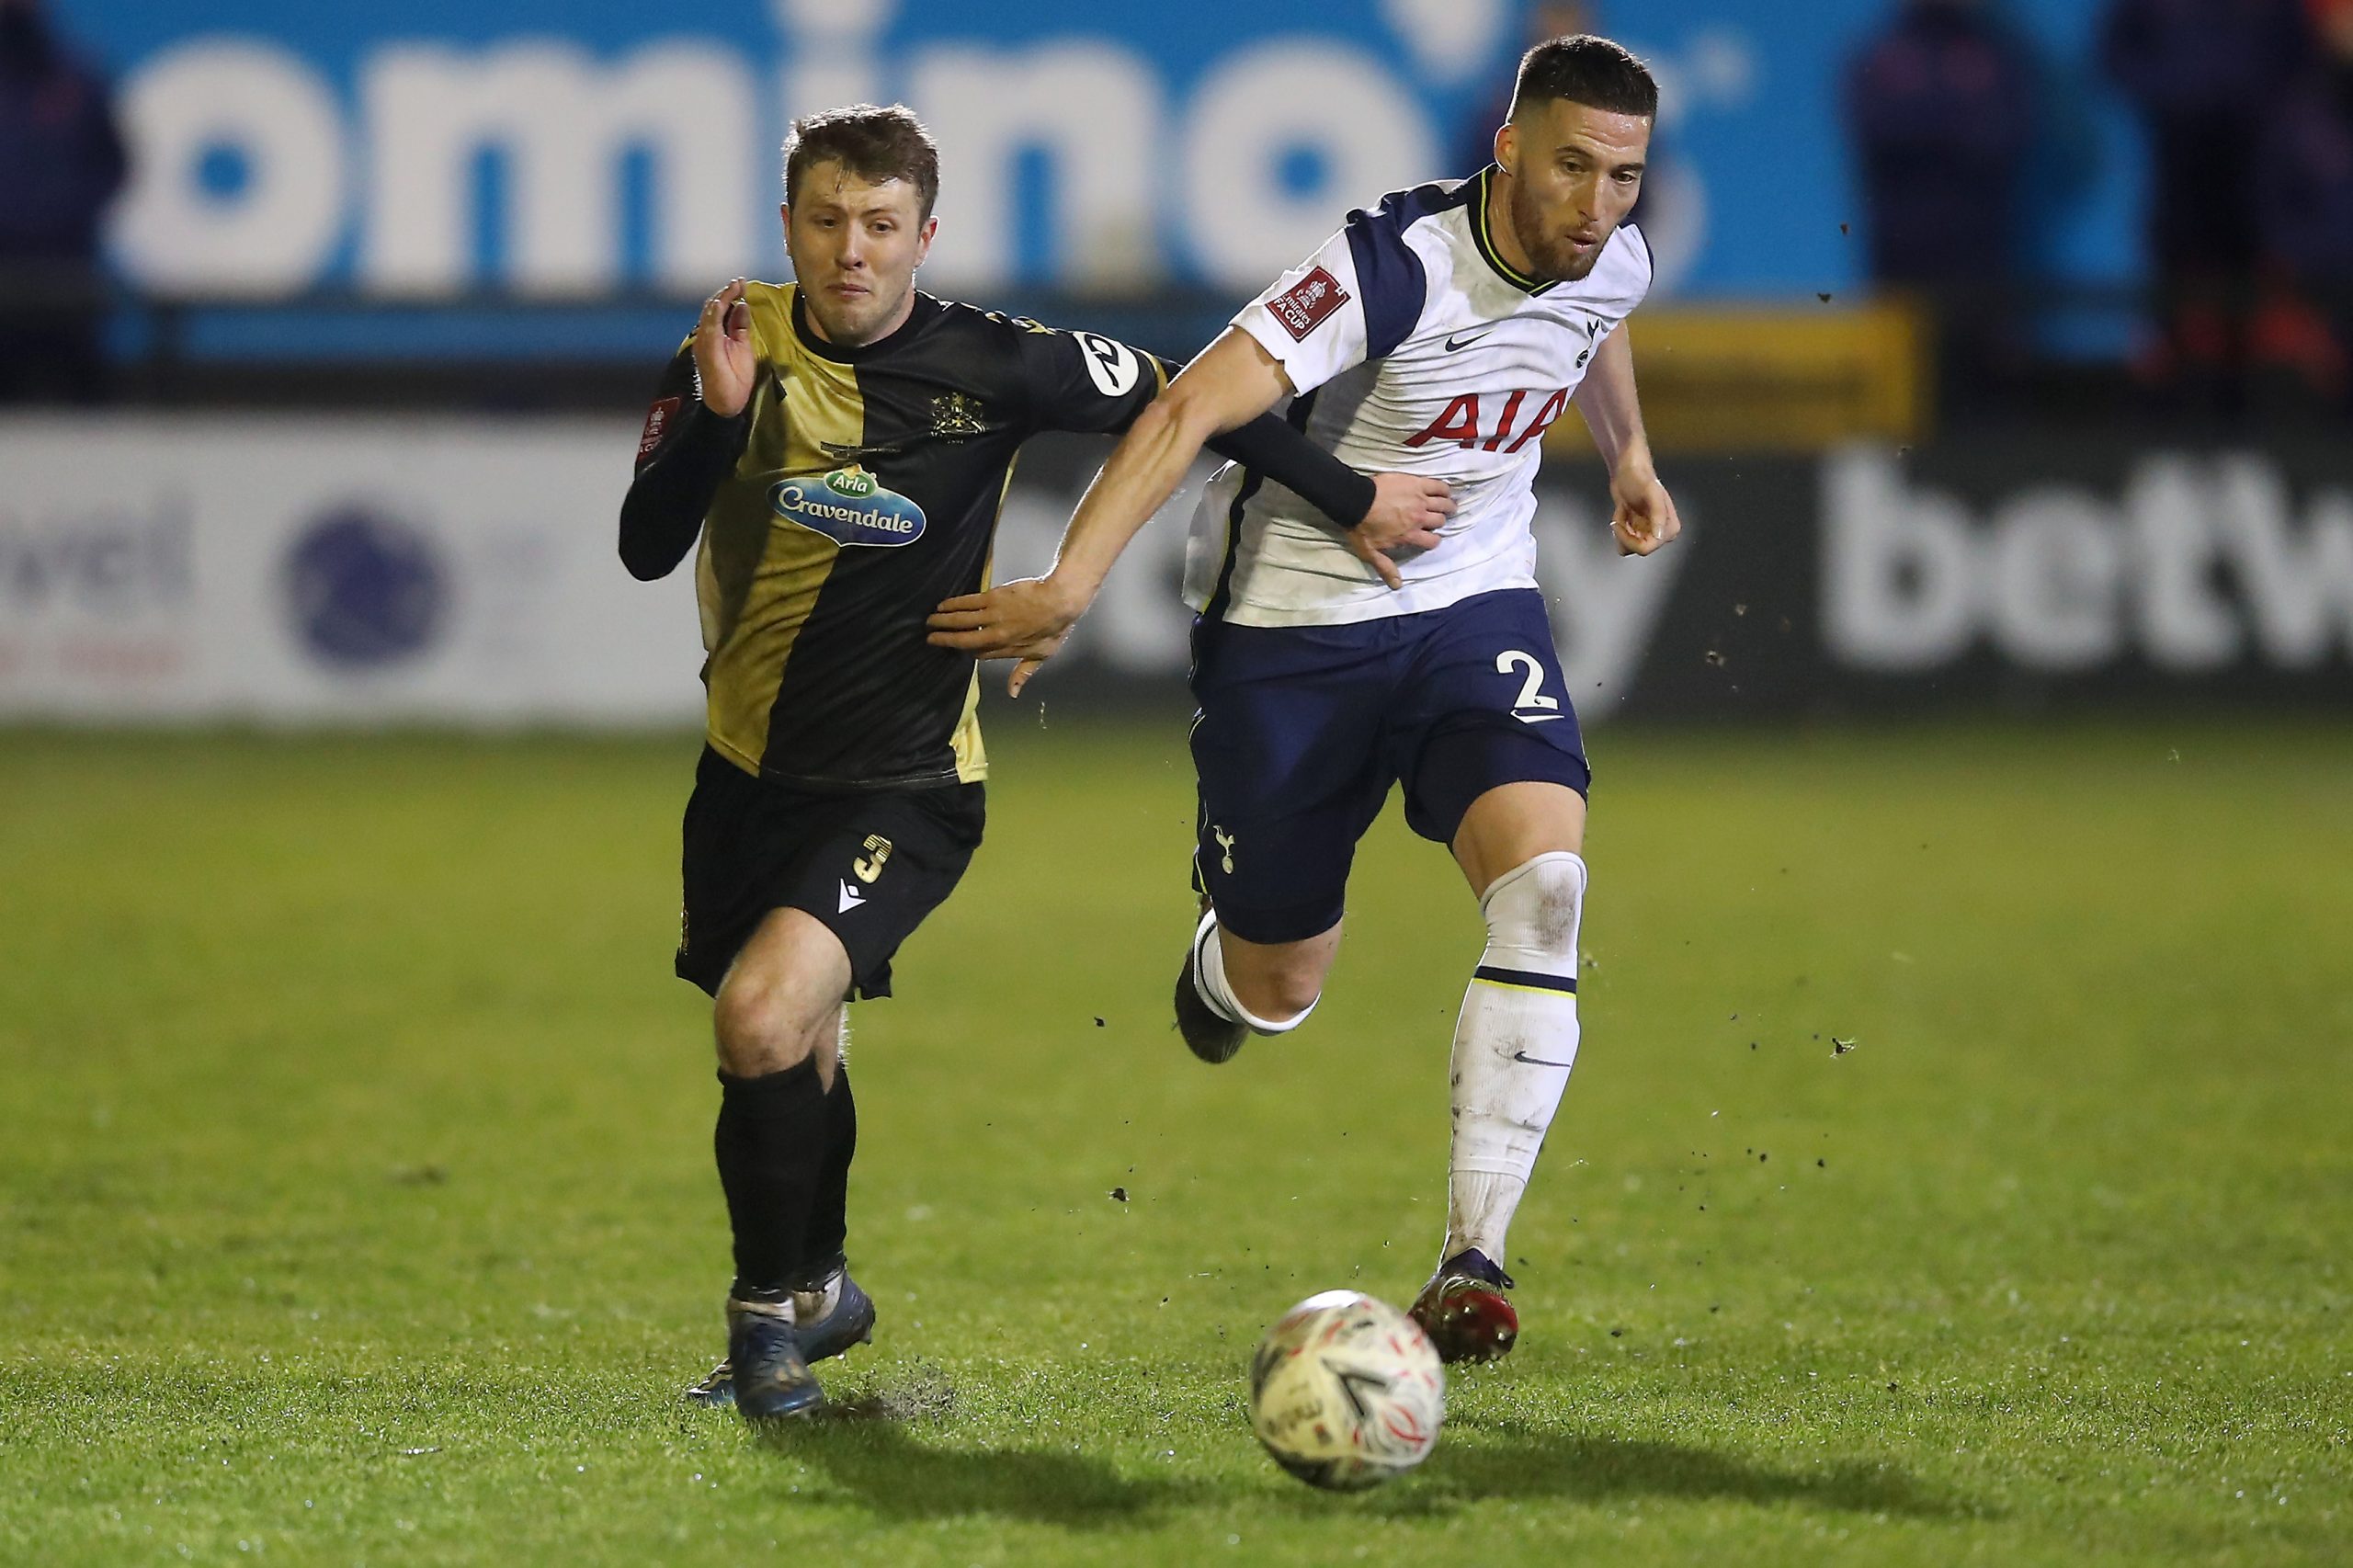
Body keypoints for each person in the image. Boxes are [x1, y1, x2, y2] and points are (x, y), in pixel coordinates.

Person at [618, 103, 1450, 1422]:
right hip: (744, 777)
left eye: (880, 226)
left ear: (923, 234)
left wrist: (1349, 495)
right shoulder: (733, 347)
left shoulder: (996, 364)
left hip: (907, 785)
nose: (852, 250)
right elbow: (647, 545)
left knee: (762, 1016)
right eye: (827, 221)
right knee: (795, 1045)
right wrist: (718, 420)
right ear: (789, 225)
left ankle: (767, 1319)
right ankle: (821, 1286)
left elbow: (1192, 402)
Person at [929, 37, 1680, 1365]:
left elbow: (1600, 318)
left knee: (1549, 889)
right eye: (1573, 166)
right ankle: (1224, 967)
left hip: (1472, 610)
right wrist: (1066, 584)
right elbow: (1185, 410)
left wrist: (1627, 454)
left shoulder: (1614, 248)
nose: (1599, 204)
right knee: (1281, 983)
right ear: (1507, 148)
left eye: (1623, 175)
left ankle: (1474, 1259)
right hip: (1293, 629)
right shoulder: (1389, 265)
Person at [2103, 0, 2310, 408]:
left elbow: (2297, 56)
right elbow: (2117, 52)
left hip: (2251, 153)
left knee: (2245, 285)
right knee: (2174, 280)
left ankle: (2236, 403)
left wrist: (2253, 98)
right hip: (2178, 150)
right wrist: (2176, 92)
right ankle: (2172, 400)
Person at [1843, 0, 2040, 414]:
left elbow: (2009, 131)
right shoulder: (1886, 54)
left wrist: (1924, 109)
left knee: (1981, 382)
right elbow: (1873, 126)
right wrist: (1954, 108)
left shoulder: (1994, 53)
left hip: (1977, 249)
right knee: (1905, 387)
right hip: (1902, 246)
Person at [0, 0, 127, 403]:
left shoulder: (76, 75)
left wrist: (66, 215)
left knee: (82, 408)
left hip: (67, 279)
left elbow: (114, 165)